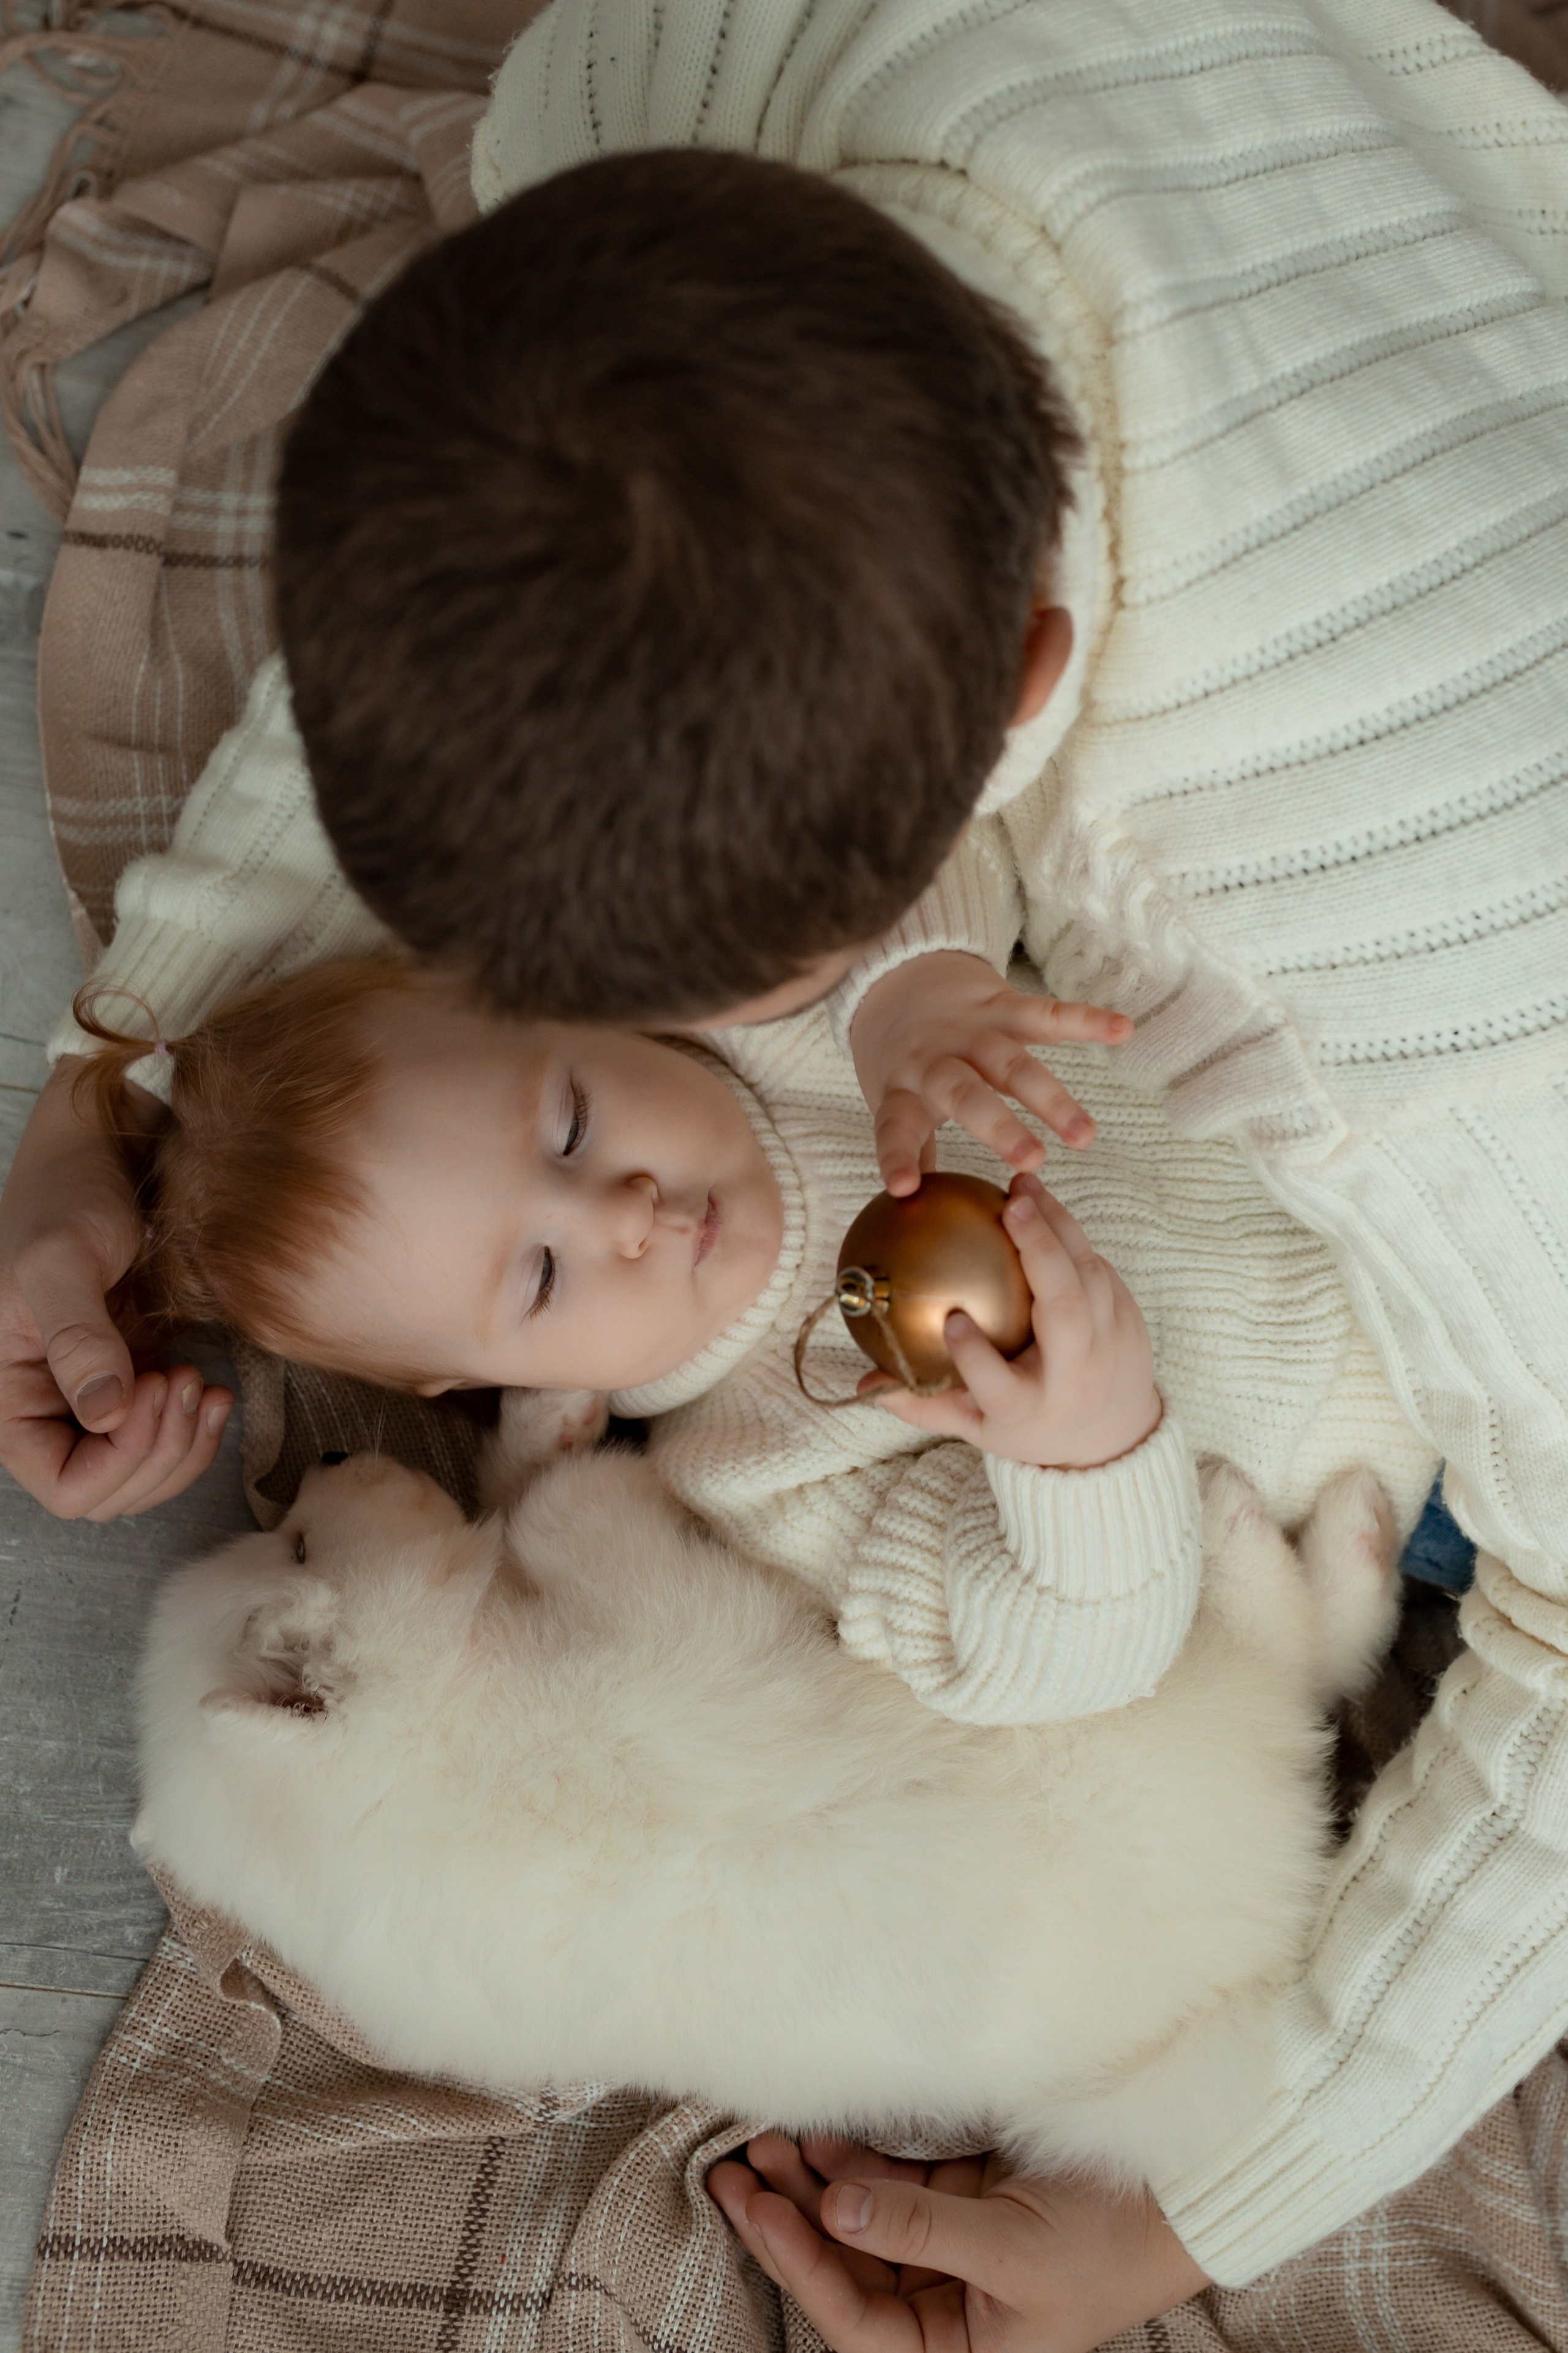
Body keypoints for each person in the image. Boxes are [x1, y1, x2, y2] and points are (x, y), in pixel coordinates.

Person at [3, 0, 1568, 2323]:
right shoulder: (681, 96)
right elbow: (467, 674)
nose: (632, 1204)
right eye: (537, 1275)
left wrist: (1194, 2212)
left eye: (589, 1093)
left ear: (1017, 701)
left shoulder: (1448, 1025)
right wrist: (100, 1093)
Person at [71, 946, 1428, 1723]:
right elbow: (1027, 1655)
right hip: (1428, 1443)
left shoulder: (792, 1009)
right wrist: (1083, 1456)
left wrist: (915, 984)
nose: (627, 1209)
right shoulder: (753, 1474)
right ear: (479, 1383)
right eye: (541, 1276)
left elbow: (928, 835)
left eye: (571, 1123)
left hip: (1415, 1126)